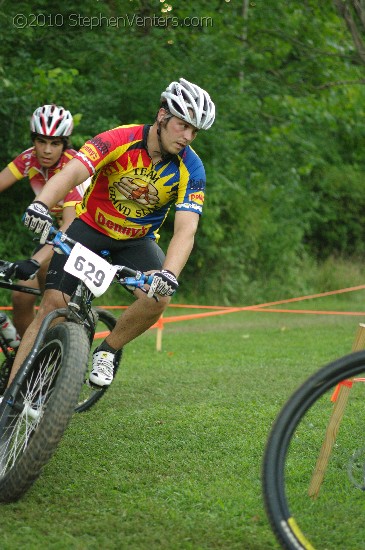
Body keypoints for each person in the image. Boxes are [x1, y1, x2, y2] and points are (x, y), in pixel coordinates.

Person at [9, 78, 215, 388]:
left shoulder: (192, 168)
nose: (188, 136)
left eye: (194, 131)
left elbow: (187, 229)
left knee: (159, 296)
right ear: (162, 116)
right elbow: (71, 174)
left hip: (136, 241)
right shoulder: (119, 138)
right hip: (90, 228)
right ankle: (11, 396)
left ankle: (108, 349)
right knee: (52, 304)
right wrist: (41, 204)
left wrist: (169, 273)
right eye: (183, 125)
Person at [0, 104, 89, 336]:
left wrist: (36, 261)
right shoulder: (29, 159)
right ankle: (27, 357)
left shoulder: (71, 167)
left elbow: (70, 225)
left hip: (86, 233)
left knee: (51, 300)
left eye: (55, 143)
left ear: (65, 144)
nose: (47, 150)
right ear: (34, 140)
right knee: (20, 295)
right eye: (41, 141)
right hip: (58, 234)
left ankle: (56, 352)